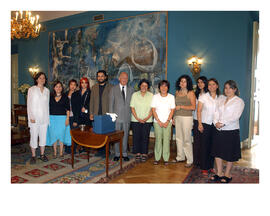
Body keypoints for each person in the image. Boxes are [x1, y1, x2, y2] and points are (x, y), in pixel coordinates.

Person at [210, 80, 244, 183]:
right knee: (217, 152)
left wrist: (223, 123)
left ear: (235, 89)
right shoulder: (221, 99)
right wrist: (215, 122)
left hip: (231, 130)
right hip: (218, 129)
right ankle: (219, 173)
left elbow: (235, 116)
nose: (227, 90)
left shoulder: (239, 101)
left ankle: (227, 174)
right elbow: (215, 112)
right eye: (226, 88)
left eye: (230, 88)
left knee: (229, 153)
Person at [109, 72, 134, 161]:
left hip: (127, 117)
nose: (124, 79)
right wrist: (112, 116)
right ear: (119, 78)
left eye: (126, 78)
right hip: (116, 118)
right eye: (123, 78)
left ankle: (124, 153)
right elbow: (111, 103)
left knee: (125, 136)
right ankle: (117, 153)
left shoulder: (131, 90)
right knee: (116, 137)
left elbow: (133, 104)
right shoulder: (113, 89)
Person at [197, 78, 220, 175]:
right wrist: (200, 123)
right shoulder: (203, 97)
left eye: (213, 84)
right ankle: (204, 167)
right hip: (205, 124)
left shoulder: (221, 97)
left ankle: (211, 166)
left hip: (216, 125)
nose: (211, 86)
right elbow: (199, 110)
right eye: (209, 85)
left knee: (214, 146)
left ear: (217, 86)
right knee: (204, 146)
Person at [173, 75, 196, 167]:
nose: (182, 83)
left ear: (188, 83)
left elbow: (193, 107)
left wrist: (181, 107)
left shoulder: (190, 93)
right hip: (177, 117)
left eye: (184, 81)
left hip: (187, 118)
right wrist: (173, 118)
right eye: (181, 81)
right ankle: (180, 157)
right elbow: (174, 107)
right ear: (179, 83)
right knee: (178, 138)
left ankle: (190, 159)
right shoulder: (177, 92)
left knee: (187, 139)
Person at [27, 72, 50, 164]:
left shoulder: (47, 91)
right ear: (36, 79)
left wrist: (47, 119)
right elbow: (29, 104)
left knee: (43, 137)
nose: (42, 79)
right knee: (34, 136)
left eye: (43, 78)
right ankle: (33, 156)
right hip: (34, 118)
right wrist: (31, 117)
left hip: (44, 118)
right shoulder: (31, 90)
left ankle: (42, 154)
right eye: (40, 78)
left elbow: (47, 105)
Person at [151, 80, 175, 165]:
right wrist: (159, 121)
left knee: (166, 141)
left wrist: (167, 121)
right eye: (162, 86)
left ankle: (166, 158)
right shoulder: (155, 97)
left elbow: (172, 110)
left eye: (165, 86)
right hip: (157, 122)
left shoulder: (171, 97)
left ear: (168, 88)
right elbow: (153, 110)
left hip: (167, 122)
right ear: (159, 88)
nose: (163, 88)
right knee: (158, 140)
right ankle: (157, 158)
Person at [46, 81, 71, 158]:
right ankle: (54, 152)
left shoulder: (65, 97)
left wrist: (67, 119)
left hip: (62, 119)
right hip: (52, 118)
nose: (58, 88)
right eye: (56, 86)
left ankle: (61, 152)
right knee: (53, 135)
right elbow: (46, 108)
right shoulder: (49, 97)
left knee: (61, 135)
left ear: (62, 88)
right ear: (54, 88)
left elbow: (68, 109)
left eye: (60, 86)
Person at [130, 79, 153, 162]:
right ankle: (138, 153)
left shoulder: (151, 95)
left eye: (146, 86)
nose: (144, 87)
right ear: (140, 86)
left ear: (148, 87)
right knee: (136, 137)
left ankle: (144, 153)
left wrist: (146, 118)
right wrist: (138, 118)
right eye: (142, 85)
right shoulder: (134, 95)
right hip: (136, 120)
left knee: (145, 137)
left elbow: (153, 109)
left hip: (148, 120)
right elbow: (132, 107)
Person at [192, 76, 208, 167]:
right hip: (196, 120)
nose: (200, 84)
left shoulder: (209, 94)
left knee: (204, 142)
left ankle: (204, 160)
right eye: (198, 82)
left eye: (202, 82)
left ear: (205, 83)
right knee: (197, 142)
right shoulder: (196, 94)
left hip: (205, 120)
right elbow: (194, 109)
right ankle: (196, 161)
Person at [65, 79, 80, 154]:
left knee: (74, 134)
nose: (72, 86)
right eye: (71, 84)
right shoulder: (65, 94)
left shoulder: (77, 94)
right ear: (69, 85)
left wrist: (76, 120)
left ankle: (74, 149)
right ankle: (67, 148)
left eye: (74, 85)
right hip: (66, 117)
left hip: (74, 116)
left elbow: (78, 108)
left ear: (76, 86)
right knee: (67, 133)